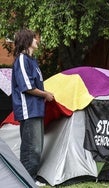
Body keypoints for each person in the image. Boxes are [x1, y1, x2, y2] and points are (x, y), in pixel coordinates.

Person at [11, 29, 54, 186]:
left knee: (36, 146)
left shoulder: (32, 61)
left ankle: (30, 178)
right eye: (35, 39)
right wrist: (46, 95)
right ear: (27, 41)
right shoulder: (22, 60)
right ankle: (26, 180)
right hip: (28, 109)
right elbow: (27, 87)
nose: (38, 41)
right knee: (31, 147)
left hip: (36, 109)